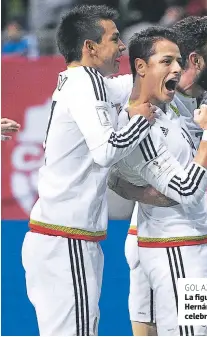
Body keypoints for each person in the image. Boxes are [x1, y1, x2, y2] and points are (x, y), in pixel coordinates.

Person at [110, 17, 207, 336]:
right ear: (196, 61)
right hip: (170, 243)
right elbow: (184, 189)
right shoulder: (149, 113)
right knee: (154, 328)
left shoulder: (198, 87)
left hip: (200, 238)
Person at [21, 5, 156, 336]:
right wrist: (142, 119)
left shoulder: (81, 82)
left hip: (60, 239)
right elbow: (106, 150)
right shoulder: (87, 82)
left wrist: (166, 67)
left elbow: (132, 85)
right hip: (66, 242)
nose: (122, 46)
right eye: (114, 38)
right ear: (89, 47)